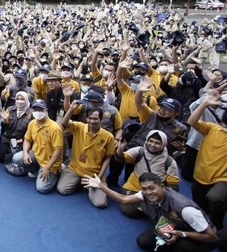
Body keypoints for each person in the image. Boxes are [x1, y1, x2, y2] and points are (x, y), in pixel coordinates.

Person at [83, 172, 218, 252]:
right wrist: (101, 186)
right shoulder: (147, 193)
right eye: (144, 189)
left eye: (151, 188)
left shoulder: (185, 209)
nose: (148, 192)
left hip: (197, 235)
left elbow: (212, 237)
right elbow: (124, 200)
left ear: (162, 187)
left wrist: (180, 234)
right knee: (143, 242)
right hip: (172, 226)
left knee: (180, 247)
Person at [58, 103, 115, 208]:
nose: (92, 121)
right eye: (89, 118)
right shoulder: (79, 127)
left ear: (101, 119)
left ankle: (87, 185)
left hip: (94, 174)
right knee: (62, 189)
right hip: (75, 169)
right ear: (86, 118)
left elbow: (108, 157)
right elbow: (64, 123)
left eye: (95, 118)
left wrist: (99, 176)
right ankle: (80, 182)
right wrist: (71, 109)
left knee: (100, 204)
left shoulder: (108, 137)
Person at [115, 130, 180, 218]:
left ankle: (149, 207)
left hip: (153, 191)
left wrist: (168, 200)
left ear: (163, 144)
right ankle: (152, 209)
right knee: (127, 209)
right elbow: (121, 159)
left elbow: (173, 185)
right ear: (146, 140)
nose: (152, 145)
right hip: (134, 187)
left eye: (157, 143)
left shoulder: (169, 161)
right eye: (151, 141)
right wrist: (120, 150)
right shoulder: (139, 151)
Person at [187, 90, 227, 230]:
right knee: (199, 205)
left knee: (214, 198)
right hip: (201, 174)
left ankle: (218, 225)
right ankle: (205, 224)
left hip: (222, 178)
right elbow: (191, 121)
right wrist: (204, 104)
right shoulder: (212, 128)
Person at [9, 99, 63, 194]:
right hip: (36, 155)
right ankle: (36, 171)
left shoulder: (54, 128)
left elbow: (58, 150)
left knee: (42, 188)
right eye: (35, 109)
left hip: (50, 162)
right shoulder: (32, 123)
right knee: (17, 158)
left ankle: (57, 172)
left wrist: (47, 167)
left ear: (46, 110)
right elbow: (27, 140)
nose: (38, 112)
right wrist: (25, 153)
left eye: (40, 110)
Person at [0, 91, 32, 164]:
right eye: (17, 99)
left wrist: (21, 140)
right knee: (1, 158)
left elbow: (31, 132)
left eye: (22, 99)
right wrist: (5, 121)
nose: (19, 101)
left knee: (10, 159)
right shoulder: (10, 109)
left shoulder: (31, 114)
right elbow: (4, 128)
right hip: (7, 138)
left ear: (26, 100)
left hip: (20, 140)